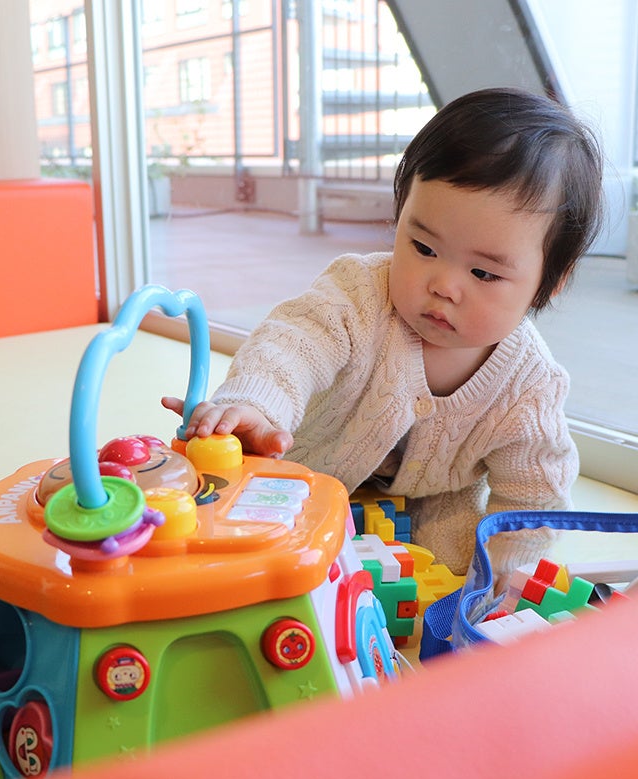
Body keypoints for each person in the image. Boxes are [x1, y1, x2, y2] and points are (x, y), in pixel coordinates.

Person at [163, 87, 604, 573]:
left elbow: (533, 499)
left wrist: (499, 585)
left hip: (436, 503)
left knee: (456, 572)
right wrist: (254, 405)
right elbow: (291, 345)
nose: (444, 286)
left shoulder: (531, 386)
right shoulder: (359, 294)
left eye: (483, 274)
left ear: (549, 283)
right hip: (309, 469)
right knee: (263, 551)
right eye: (423, 247)